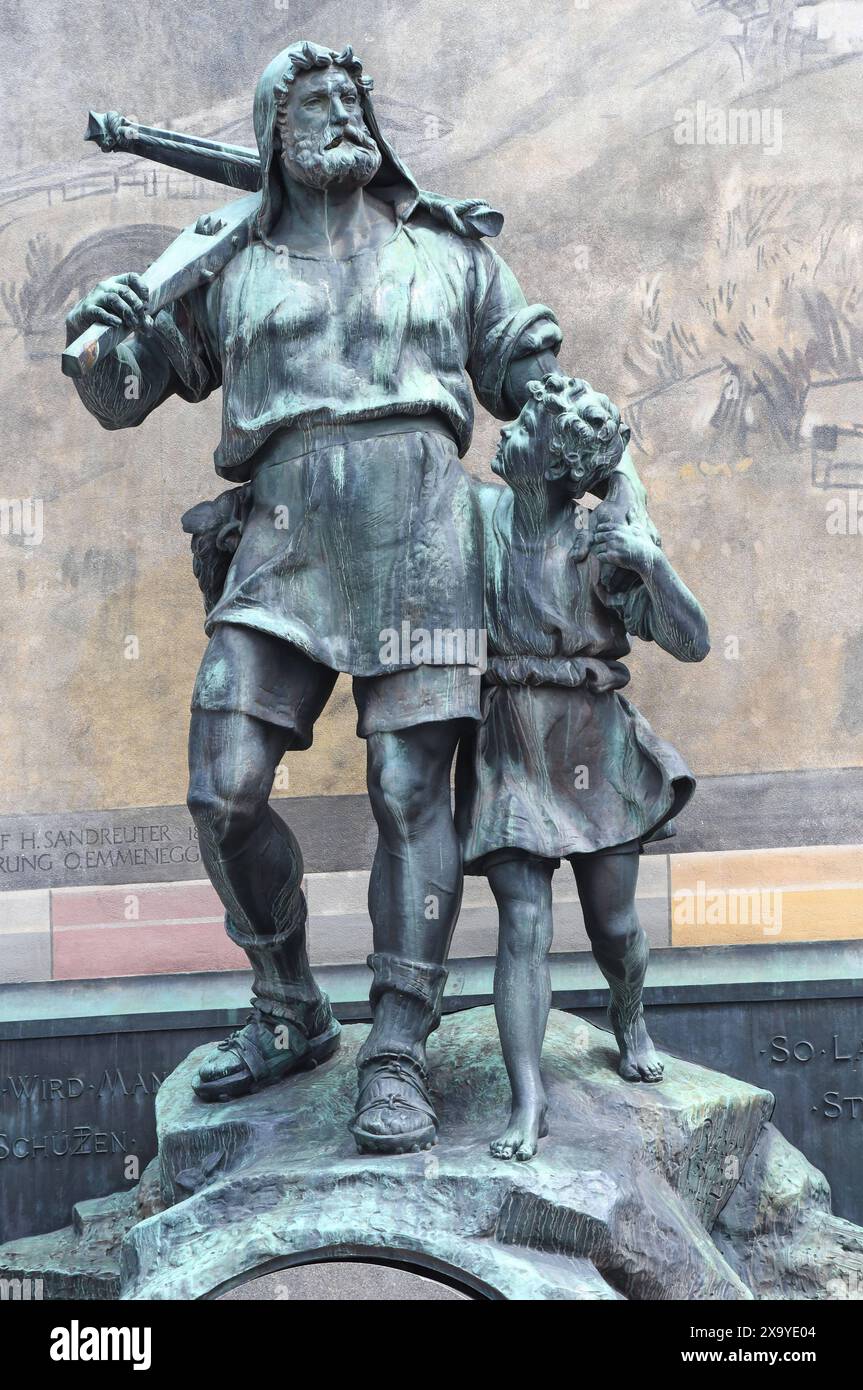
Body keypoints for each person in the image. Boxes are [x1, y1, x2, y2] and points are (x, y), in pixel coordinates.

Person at [64, 42, 648, 1154]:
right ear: (271, 133)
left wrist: (603, 459)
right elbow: (125, 396)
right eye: (313, 100)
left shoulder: (445, 251)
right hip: (279, 536)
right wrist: (106, 341)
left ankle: (396, 1047)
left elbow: (530, 379)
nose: (340, 114)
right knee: (221, 791)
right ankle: (288, 1003)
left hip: (425, 534)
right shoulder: (225, 262)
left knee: (405, 788)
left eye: (352, 98)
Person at [456, 374, 710, 1161]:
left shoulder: (602, 545)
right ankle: (529, 1100)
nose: (505, 430)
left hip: (595, 749)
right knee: (524, 923)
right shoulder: (479, 514)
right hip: (513, 741)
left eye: (524, 427)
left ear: (558, 467)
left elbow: (693, 641)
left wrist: (652, 562)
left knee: (614, 925)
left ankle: (628, 1011)